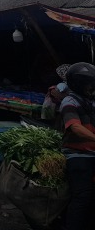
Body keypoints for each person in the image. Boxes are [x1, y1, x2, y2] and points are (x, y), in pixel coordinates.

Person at [59, 62, 95, 230]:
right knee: (83, 196)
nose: (91, 87)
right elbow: (75, 127)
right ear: (79, 84)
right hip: (77, 154)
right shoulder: (69, 101)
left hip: (93, 153)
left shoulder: (91, 102)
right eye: (89, 84)